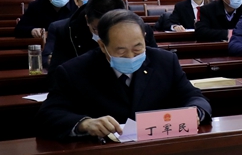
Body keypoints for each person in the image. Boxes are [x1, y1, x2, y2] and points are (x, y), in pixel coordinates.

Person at [37, 9, 211, 141]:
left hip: (156, 148)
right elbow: (48, 114)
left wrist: (195, 111)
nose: (130, 56)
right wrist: (85, 123)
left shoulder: (165, 61)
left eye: (137, 48)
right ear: (102, 46)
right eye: (121, 51)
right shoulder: (74, 71)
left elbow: (194, 96)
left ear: (144, 38)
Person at [48, 0, 159, 71]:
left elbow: (155, 66)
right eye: (97, 29)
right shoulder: (67, 32)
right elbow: (56, 75)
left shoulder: (139, 30)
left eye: (113, 29)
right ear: (87, 20)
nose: (105, 36)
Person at [43, 0, 103, 65]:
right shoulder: (60, 27)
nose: (95, 0)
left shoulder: (115, 24)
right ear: (76, 0)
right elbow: (46, 58)